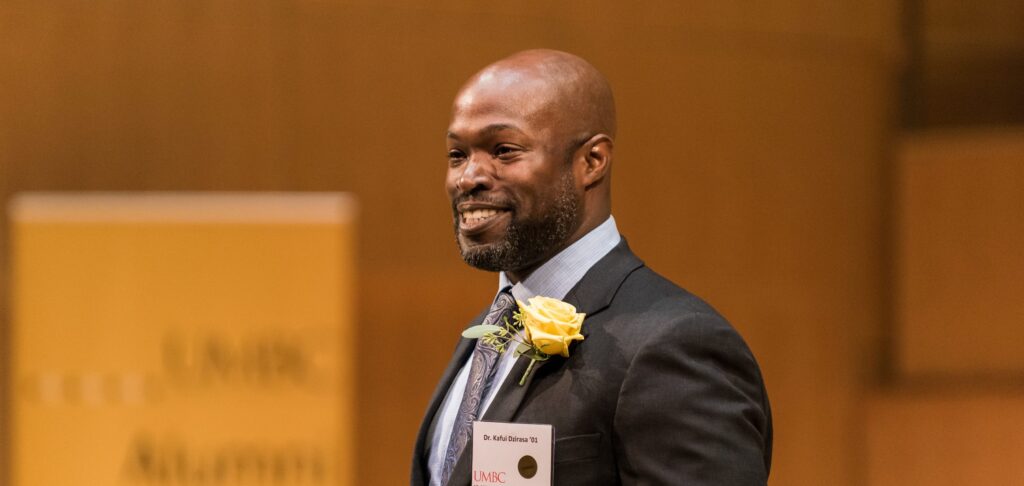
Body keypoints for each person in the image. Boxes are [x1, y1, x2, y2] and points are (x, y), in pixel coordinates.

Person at [411, 49, 772, 486]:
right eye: (457, 154)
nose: (469, 177)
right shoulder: (484, 336)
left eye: (504, 150)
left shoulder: (672, 345)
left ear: (592, 162)